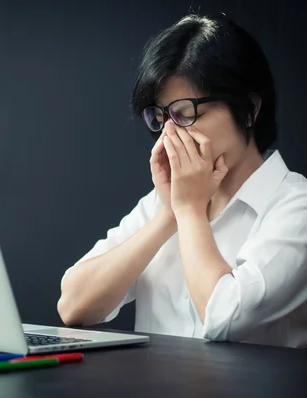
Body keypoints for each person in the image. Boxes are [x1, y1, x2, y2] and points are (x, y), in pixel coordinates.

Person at [57, 13, 307, 348]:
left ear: (248, 110)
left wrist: (189, 211)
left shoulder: (296, 207)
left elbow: (224, 318)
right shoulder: (163, 202)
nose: (169, 134)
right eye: (159, 117)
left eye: (185, 113)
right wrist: (168, 216)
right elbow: (73, 306)